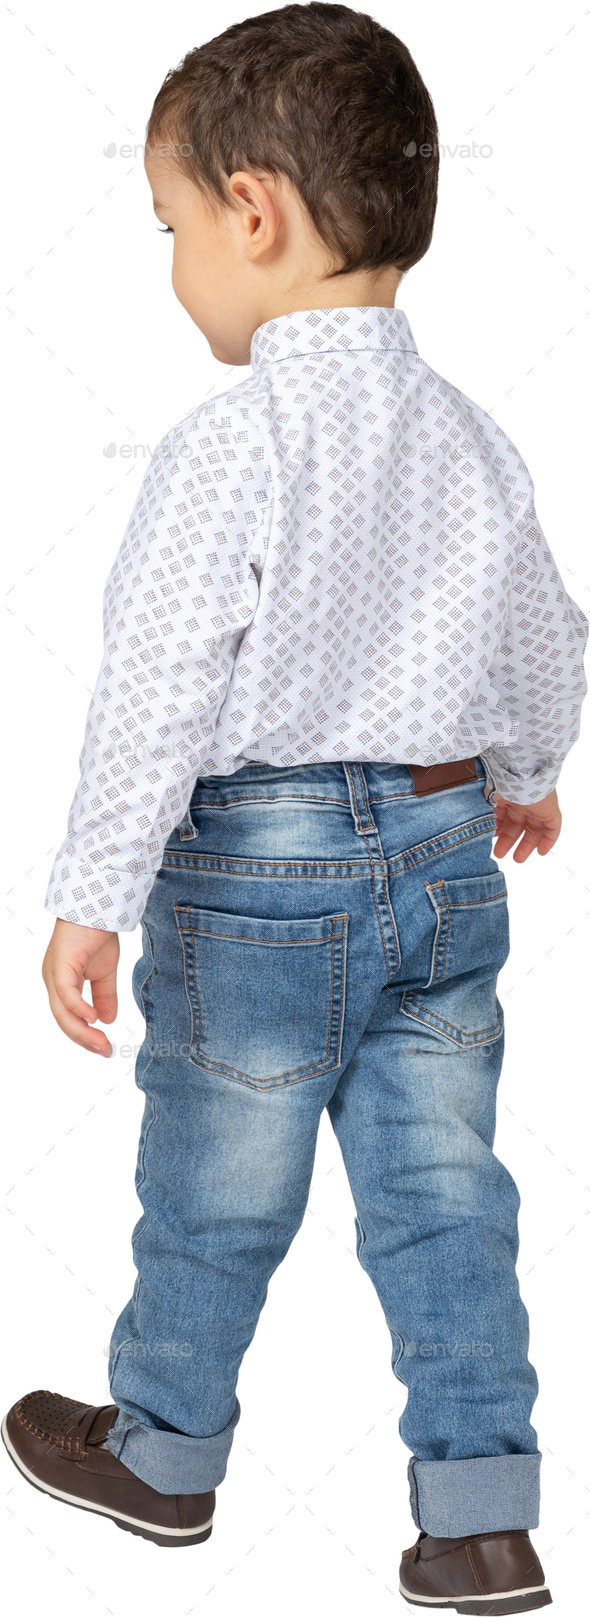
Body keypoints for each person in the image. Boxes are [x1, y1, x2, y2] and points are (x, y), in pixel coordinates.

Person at [3, 5, 587, 1607]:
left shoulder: (231, 443)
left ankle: (165, 1450)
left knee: (214, 1175)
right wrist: (523, 773)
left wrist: (91, 891)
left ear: (252, 213)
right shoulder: (473, 439)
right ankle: (478, 1513)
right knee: (444, 1190)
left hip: (259, 877)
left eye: (171, 226)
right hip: (443, 854)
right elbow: (546, 631)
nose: (176, 262)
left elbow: (157, 694)